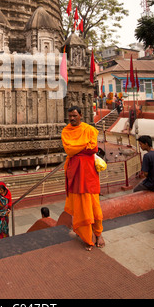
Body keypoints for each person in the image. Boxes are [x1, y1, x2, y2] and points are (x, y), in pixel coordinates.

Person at [61, 105, 105, 251]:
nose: (72, 118)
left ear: (81, 115)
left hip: (89, 172)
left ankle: (98, 234)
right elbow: (69, 149)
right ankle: (87, 237)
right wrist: (84, 146)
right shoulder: (66, 131)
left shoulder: (89, 129)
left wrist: (78, 148)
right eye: (70, 116)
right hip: (74, 171)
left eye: (75, 115)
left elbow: (93, 148)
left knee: (94, 205)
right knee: (80, 205)